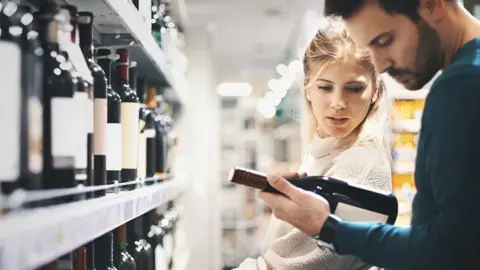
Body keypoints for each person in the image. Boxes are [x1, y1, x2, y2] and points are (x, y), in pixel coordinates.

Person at [258, 0, 480, 269]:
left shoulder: (461, 86)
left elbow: (451, 249)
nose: (380, 65)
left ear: (432, 5)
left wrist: (329, 228)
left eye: (384, 41)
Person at [235, 17, 393, 270]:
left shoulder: (360, 165)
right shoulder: (326, 151)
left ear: (374, 91)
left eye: (353, 88)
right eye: (325, 87)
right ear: (308, 89)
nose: (338, 102)